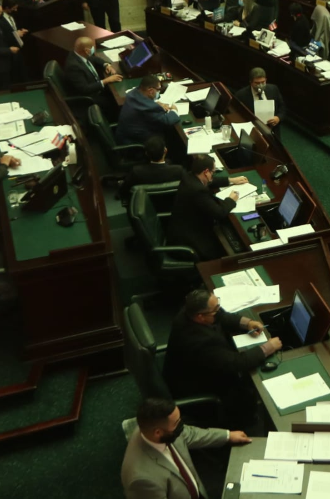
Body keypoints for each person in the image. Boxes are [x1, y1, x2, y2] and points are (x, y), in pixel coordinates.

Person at [162, 288, 284, 427]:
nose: (219, 310)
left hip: (188, 368)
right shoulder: (202, 342)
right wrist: (268, 347)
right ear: (201, 316)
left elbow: (222, 316)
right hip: (196, 384)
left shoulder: (188, 312)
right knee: (246, 390)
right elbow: (238, 362)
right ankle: (248, 423)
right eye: (215, 309)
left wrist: (247, 323)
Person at [120, 396, 248, 499]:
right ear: (158, 432)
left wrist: (227, 436)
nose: (182, 426)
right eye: (177, 423)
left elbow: (190, 433)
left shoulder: (152, 428)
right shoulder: (142, 480)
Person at [119, 136, 248, 208]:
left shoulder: (136, 171)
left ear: (146, 153)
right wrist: (229, 180)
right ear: (165, 151)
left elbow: (123, 191)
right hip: (172, 205)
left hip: (144, 207)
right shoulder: (177, 170)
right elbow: (197, 180)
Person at [166, 154, 239, 261]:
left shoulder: (189, 176)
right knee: (223, 251)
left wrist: (231, 180)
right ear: (206, 172)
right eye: (212, 172)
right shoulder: (198, 191)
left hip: (179, 226)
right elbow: (219, 213)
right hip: (189, 237)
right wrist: (231, 200)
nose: (213, 175)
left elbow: (210, 181)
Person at [116, 75, 181, 146]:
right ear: (150, 91)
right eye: (158, 89)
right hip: (135, 142)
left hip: (124, 136)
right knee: (170, 135)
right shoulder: (149, 108)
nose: (159, 91)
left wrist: (155, 103)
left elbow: (144, 104)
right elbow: (167, 121)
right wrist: (174, 110)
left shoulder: (133, 93)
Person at [63, 36, 123, 105]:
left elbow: (94, 59)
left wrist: (106, 65)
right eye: (92, 47)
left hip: (95, 86)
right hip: (90, 97)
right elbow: (85, 89)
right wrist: (106, 80)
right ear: (86, 50)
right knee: (115, 101)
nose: (94, 48)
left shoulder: (78, 53)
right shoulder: (74, 67)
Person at [234, 67, 284, 134]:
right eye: (257, 83)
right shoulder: (241, 95)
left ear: (266, 80)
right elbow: (237, 115)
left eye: (263, 82)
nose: (260, 85)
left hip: (272, 129)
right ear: (251, 82)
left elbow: (282, 107)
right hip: (253, 130)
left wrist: (278, 118)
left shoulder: (273, 89)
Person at [0, 0, 29, 84]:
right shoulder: (0, 21)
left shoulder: (12, 16)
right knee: (13, 78)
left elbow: (13, 29)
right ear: (7, 8)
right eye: (13, 8)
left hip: (18, 48)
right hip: (10, 52)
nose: (15, 10)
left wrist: (19, 31)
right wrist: (16, 34)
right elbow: (3, 38)